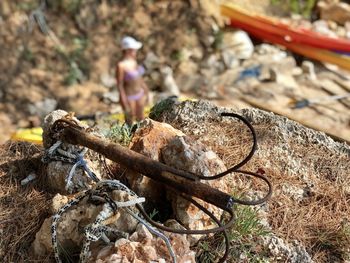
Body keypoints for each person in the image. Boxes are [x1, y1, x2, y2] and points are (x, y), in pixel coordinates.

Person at [116, 36, 149, 125]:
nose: (135, 51)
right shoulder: (121, 65)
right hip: (129, 97)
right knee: (130, 122)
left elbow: (139, 78)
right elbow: (120, 85)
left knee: (141, 121)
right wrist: (123, 100)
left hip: (140, 94)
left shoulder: (134, 61)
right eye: (133, 50)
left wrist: (146, 90)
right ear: (127, 50)